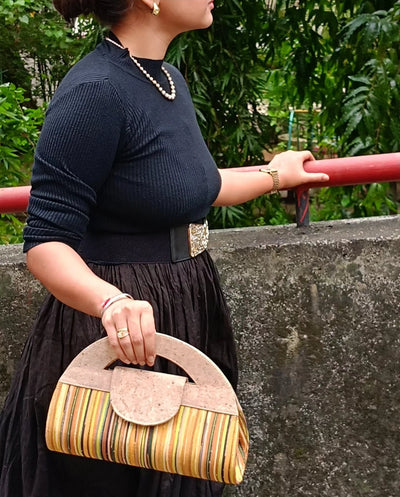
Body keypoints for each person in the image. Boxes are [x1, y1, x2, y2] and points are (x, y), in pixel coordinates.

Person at [0, 0, 329, 496]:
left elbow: (191, 187)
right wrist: (112, 303)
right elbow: (45, 241)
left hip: (186, 307)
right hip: (120, 330)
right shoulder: (94, 92)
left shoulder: (168, 79)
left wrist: (274, 175)